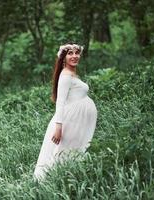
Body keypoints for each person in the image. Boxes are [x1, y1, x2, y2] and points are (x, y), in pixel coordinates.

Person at [33, 42, 98, 181]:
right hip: (68, 121)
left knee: (71, 150)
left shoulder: (72, 74)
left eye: (77, 53)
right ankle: (53, 180)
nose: (75, 56)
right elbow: (60, 102)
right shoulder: (66, 76)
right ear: (63, 58)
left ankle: (69, 177)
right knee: (62, 151)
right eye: (70, 53)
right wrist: (58, 127)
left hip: (74, 121)